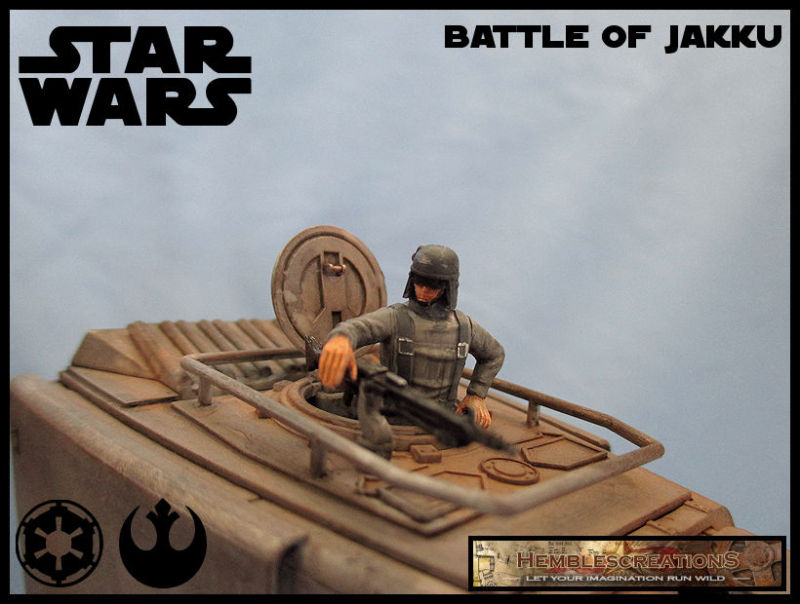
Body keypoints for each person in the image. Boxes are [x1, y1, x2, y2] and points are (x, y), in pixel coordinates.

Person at [318, 244, 504, 457]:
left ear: (447, 287)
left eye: (431, 286)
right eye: (419, 283)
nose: (423, 291)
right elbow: (358, 328)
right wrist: (341, 339)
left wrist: (476, 394)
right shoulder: (395, 318)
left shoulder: (464, 326)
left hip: (442, 425)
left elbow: (494, 354)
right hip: (392, 420)